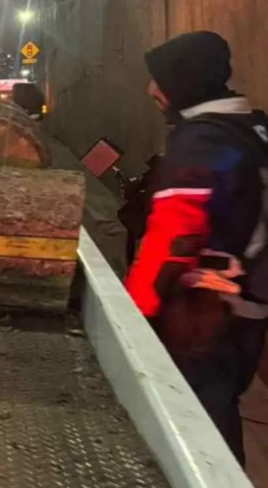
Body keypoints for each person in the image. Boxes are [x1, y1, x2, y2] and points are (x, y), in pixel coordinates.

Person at [125, 30, 268, 465]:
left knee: (199, 420)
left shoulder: (204, 142)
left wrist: (134, 313)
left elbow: (175, 237)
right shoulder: (252, 128)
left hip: (204, 310)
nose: (152, 90)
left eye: (160, 80)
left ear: (186, 82)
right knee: (218, 406)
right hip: (248, 304)